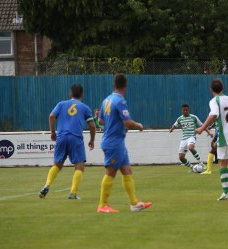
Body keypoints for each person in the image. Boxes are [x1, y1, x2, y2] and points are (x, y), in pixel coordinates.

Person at [97, 73, 151, 213]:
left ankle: (134, 204)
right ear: (125, 86)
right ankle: (102, 205)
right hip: (114, 142)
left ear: (113, 85)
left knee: (127, 170)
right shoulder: (120, 101)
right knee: (111, 172)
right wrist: (139, 125)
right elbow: (127, 122)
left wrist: (113, 123)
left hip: (115, 141)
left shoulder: (106, 100)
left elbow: (101, 121)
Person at [39, 84, 96, 199]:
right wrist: (92, 140)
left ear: (71, 94)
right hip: (75, 138)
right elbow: (93, 126)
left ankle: (47, 185)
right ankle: (73, 193)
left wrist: (53, 133)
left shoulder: (61, 104)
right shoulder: (85, 108)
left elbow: (51, 116)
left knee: (57, 165)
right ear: (82, 95)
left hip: (62, 137)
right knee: (79, 167)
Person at [196, 78, 228, 201]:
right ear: (223, 88)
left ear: (211, 90)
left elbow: (213, 115)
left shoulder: (214, 100)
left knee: (222, 164)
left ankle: (227, 193)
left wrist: (202, 128)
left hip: (226, 134)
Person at [169, 104, 212, 172]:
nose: (185, 111)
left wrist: (208, 132)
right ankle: (192, 167)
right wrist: (171, 129)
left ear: (188, 110)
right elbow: (175, 124)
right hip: (184, 139)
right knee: (181, 157)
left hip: (191, 136)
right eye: (184, 110)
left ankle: (201, 163)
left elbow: (202, 125)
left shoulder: (193, 117)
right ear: (182, 111)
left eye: (186, 110)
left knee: (191, 148)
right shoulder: (180, 118)